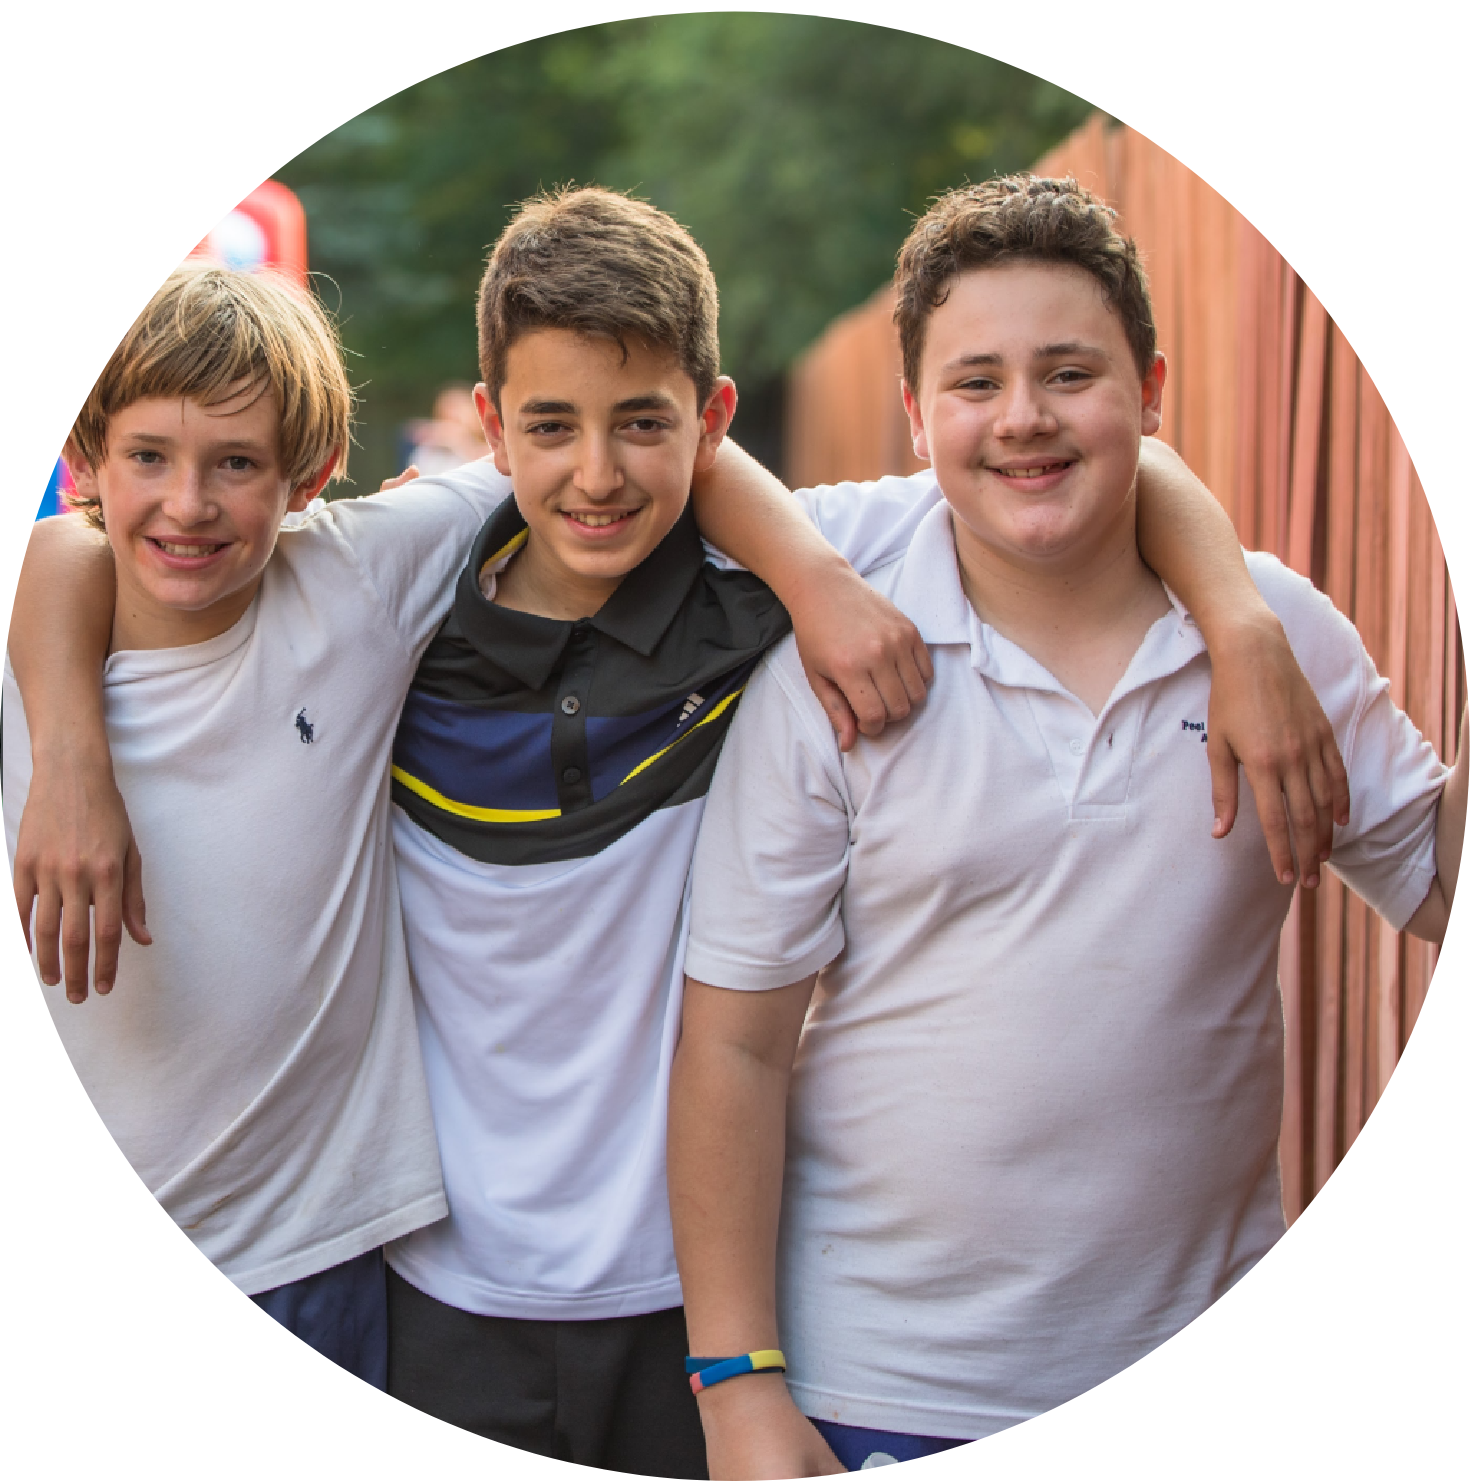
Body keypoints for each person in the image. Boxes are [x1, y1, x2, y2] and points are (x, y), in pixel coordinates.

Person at [13, 187, 1348, 1478]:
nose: (595, 473)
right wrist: (71, 754)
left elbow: (1101, 464)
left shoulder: (708, 582)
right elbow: (63, 553)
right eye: (550, 430)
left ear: (708, 425)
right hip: (432, 1282)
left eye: (643, 427)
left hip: (692, 1306)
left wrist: (1234, 622)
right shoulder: (399, 589)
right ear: (493, 429)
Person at [3, 251, 927, 1481]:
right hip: (68, 1260)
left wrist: (813, 579)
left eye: (235, 463)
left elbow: (628, 449)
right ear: (88, 466)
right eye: (150, 461)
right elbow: (57, 557)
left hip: (323, 1248)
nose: (188, 504)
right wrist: (71, 752)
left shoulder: (358, 576)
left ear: (308, 479)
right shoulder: (45, 648)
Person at [668, 175, 1472, 1480]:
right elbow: (736, 1049)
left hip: (1213, 1388)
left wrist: (1259, 625)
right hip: (889, 1382)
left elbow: (1451, 888)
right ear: (916, 418)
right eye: (975, 383)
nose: (1025, 418)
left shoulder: (1274, 636)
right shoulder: (840, 643)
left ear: (1151, 392)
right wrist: (737, 1385)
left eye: (1070, 373)